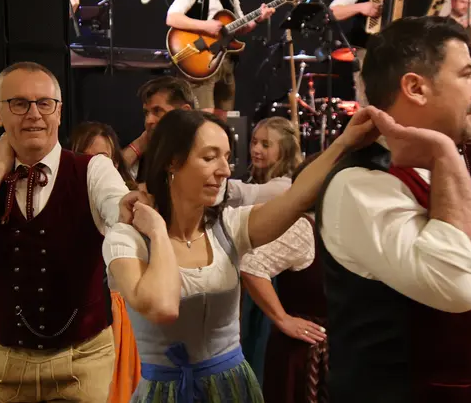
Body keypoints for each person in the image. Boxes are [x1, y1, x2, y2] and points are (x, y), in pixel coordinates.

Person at [102, 107, 379, 402]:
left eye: (226, 157)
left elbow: (297, 196)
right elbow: (163, 307)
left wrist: (345, 142)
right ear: (172, 161)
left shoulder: (230, 226)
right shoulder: (127, 239)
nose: (225, 170)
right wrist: (158, 231)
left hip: (233, 388)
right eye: (209, 157)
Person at [317, 16, 471, 402]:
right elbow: (458, 288)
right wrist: (444, 154)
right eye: (467, 75)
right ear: (415, 87)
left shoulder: (437, 168)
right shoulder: (362, 184)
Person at [0, 62, 129, 403]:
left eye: (44, 103)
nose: (34, 114)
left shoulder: (94, 170)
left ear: (59, 112)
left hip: (84, 360)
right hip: (2, 363)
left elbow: (119, 213)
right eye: (19, 104)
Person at [240, 153, 329, 403]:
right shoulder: (303, 228)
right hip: (302, 354)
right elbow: (251, 265)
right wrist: (283, 318)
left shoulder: (339, 227)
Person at [70, 121, 142, 403]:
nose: (97, 167)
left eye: (104, 159)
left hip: (119, 313)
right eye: (89, 158)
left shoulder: (124, 201)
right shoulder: (64, 201)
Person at [166, 0, 275, 120]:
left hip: (225, 62)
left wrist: (257, 19)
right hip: (201, 59)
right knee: (203, 118)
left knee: (224, 118)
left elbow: (241, 27)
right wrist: (205, 26)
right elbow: (172, 18)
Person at [122, 76, 196, 182]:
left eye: (157, 111)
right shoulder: (145, 154)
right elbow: (107, 180)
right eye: (146, 113)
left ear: (185, 112)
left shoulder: (206, 151)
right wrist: (138, 146)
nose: (148, 121)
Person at [329, 0, 387, 105]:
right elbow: (333, 12)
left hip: (400, 53)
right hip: (368, 52)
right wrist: (360, 7)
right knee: (369, 101)